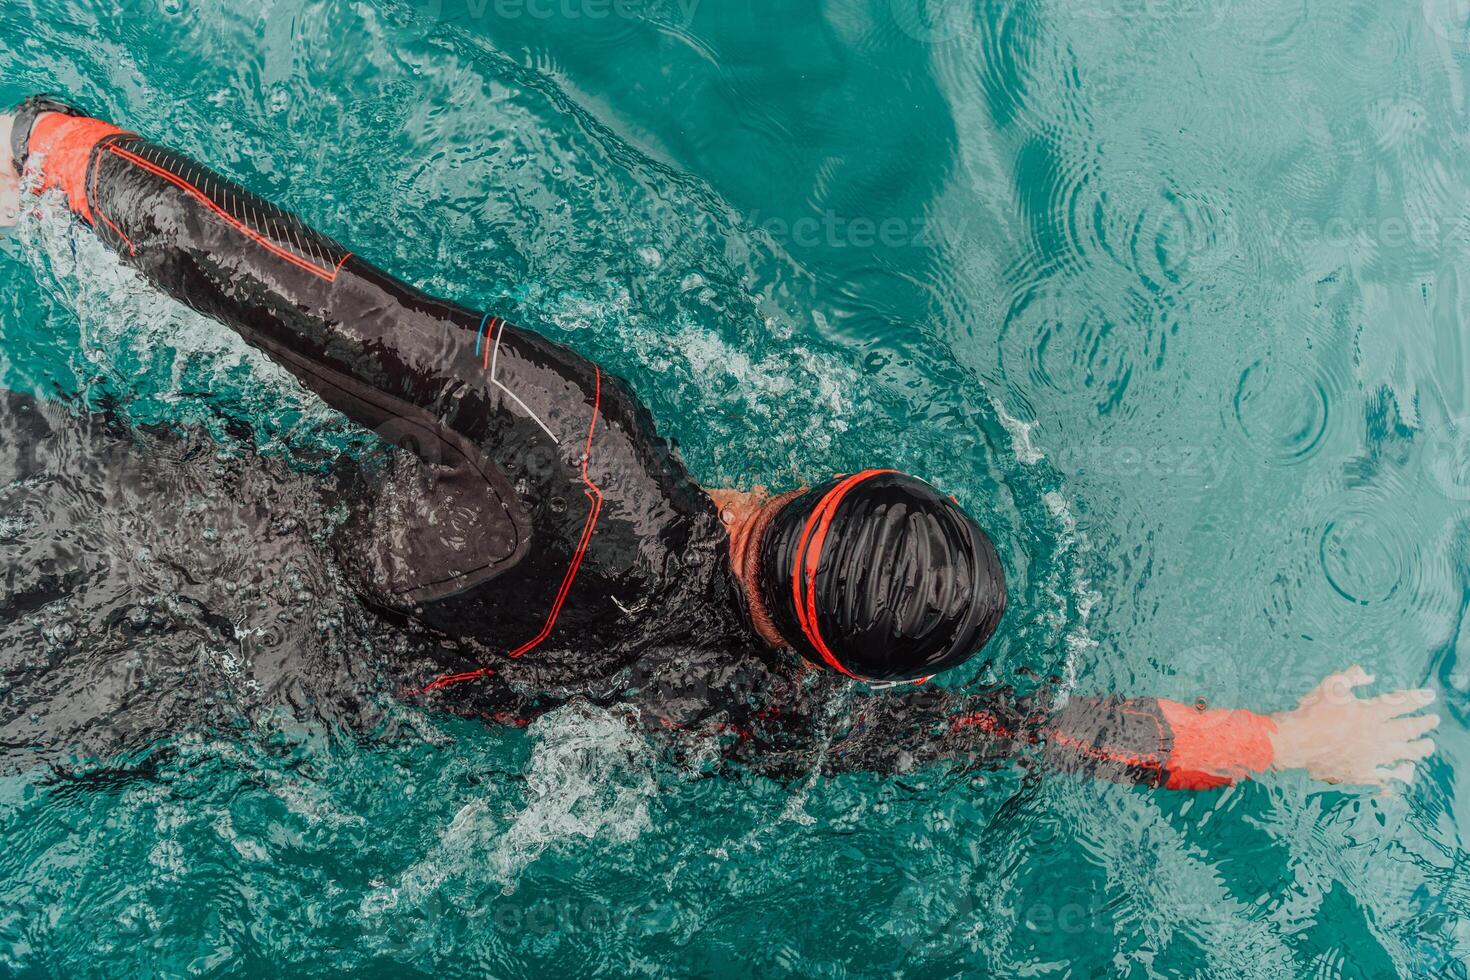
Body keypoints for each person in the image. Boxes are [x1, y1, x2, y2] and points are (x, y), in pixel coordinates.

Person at [0, 96, 1441, 789]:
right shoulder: (772, 710)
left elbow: (350, 314)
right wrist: (1281, 742)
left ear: (824, 490)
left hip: (124, 529)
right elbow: (1020, 732)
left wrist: (66, 159)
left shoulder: (597, 464)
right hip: (198, 697)